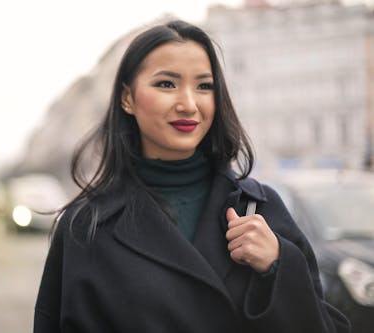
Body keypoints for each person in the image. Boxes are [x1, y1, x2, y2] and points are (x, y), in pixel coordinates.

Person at [34, 20, 350, 333]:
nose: (188, 104)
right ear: (127, 98)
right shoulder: (86, 225)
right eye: (166, 84)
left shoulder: (261, 209)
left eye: (204, 86)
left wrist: (279, 265)